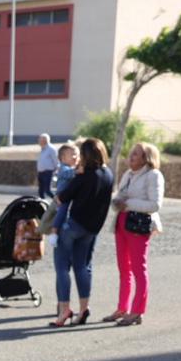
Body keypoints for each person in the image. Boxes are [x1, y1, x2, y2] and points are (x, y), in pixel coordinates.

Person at [48, 137, 114, 327]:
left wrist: (76, 176)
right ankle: (84, 308)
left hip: (73, 226)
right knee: (81, 267)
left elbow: (61, 198)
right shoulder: (108, 174)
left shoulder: (83, 176)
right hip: (92, 229)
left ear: (86, 155)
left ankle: (64, 311)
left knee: (61, 267)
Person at [104, 141, 165, 327]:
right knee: (124, 268)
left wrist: (128, 204)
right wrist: (117, 201)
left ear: (146, 158)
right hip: (122, 222)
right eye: (131, 153)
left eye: (136, 154)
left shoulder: (153, 175)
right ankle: (122, 307)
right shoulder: (128, 174)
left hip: (139, 225)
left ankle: (137, 311)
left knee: (138, 268)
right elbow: (120, 196)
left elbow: (155, 205)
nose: (131, 157)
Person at [35, 133, 57, 198]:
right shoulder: (42, 149)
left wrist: (55, 170)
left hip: (48, 172)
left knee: (48, 190)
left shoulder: (51, 149)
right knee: (41, 191)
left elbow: (56, 160)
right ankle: (42, 205)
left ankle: (57, 202)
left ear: (45, 140)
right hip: (41, 173)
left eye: (40, 140)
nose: (39, 141)